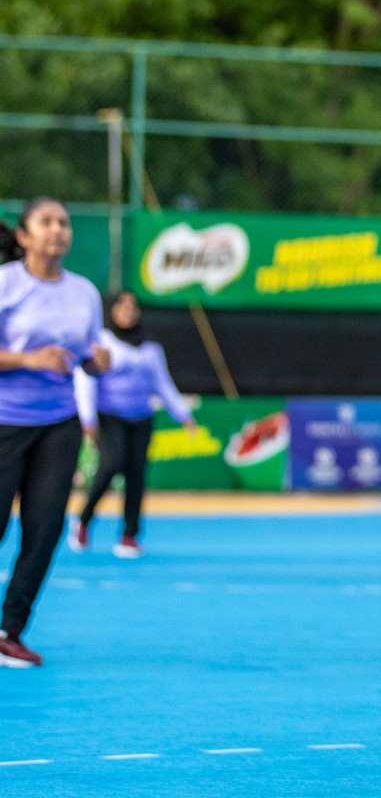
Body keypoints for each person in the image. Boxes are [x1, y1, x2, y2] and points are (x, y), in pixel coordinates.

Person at [0, 199, 109, 668]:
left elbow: (87, 352)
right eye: (47, 222)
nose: (58, 230)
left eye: (64, 223)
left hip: (59, 424)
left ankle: (9, 631)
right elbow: (34, 355)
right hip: (5, 421)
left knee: (45, 530)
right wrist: (28, 359)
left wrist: (95, 362)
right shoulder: (6, 283)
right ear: (24, 236)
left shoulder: (84, 292)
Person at [69, 290, 196, 559]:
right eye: (122, 306)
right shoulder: (101, 340)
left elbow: (162, 383)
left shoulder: (150, 346)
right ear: (112, 310)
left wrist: (183, 414)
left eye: (133, 306)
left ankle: (129, 535)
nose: (128, 311)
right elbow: (86, 378)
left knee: (136, 475)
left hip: (141, 417)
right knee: (112, 464)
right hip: (109, 415)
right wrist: (88, 418)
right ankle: (83, 520)